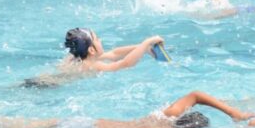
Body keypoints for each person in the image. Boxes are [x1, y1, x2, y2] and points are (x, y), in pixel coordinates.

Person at [0, 90, 255, 128]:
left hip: (87, 121)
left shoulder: (161, 117)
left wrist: (234, 113)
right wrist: (242, 125)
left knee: (18, 125)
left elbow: (195, 95)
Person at [22, 28, 166, 87]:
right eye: (97, 39)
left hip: (43, 79)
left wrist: (144, 49)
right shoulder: (93, 65)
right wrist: (147, 41)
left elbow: (114, 53)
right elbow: (125, 63)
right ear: (91, 50)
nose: (100, 40)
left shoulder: (76, 57)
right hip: (50, 85)